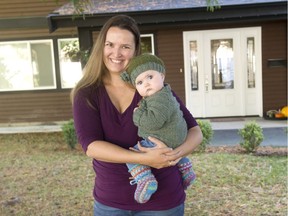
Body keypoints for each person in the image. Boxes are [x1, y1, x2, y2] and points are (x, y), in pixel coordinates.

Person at [71, 14, 203, 216]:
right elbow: (90, 145)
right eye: (110, 44)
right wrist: (144, 159)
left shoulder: (153, 87)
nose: (116, 53)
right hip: (111, 201)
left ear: (135, 51)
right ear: (102, 47)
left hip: (164, 201)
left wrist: (174, 155)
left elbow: (195, 131)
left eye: (125, 46)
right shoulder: (87, 92)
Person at [121, 53, 196, 204]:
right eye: (140, 82)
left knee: (134, 154)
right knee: (169, 147)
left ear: (162, 76)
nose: (146, 84)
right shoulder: (163, 94)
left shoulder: (160, 98)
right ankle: (185, 166)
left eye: (150, 77)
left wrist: (137, 114)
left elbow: (152, 122)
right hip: (176, 138)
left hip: (164, 138)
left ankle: (145, 179)